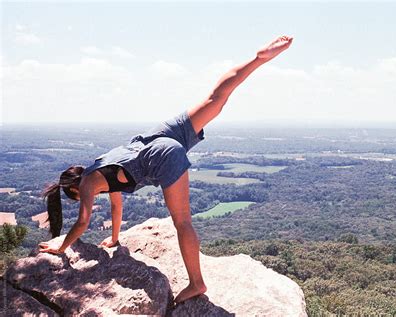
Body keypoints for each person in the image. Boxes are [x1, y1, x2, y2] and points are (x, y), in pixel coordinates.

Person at [38, 35, 294, 304]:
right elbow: (117, 207)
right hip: (155, 135)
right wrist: (114, 239)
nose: (90, 197)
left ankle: (197, 283)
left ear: (75, 189)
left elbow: (83, 221)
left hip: (159, 154)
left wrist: (62, 245)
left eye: (80, 197)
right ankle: (258, 59)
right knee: (215, 99)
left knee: (183, 223)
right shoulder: (100, 164)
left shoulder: (89, 183)